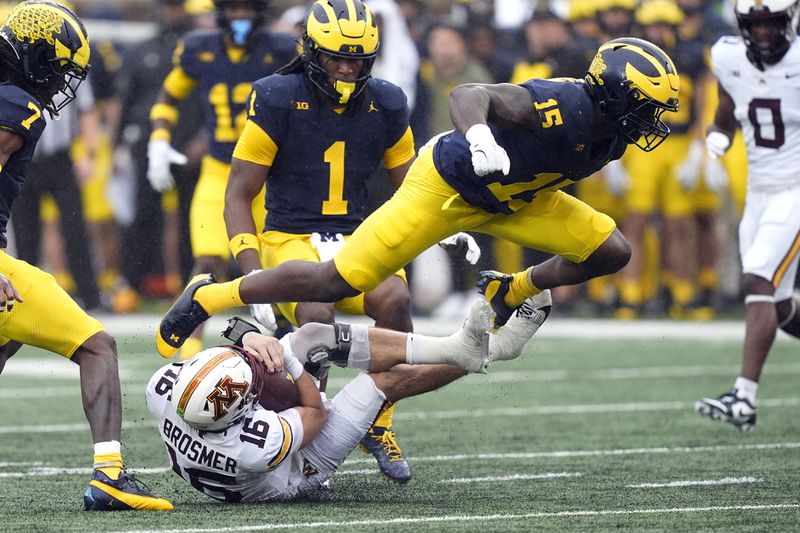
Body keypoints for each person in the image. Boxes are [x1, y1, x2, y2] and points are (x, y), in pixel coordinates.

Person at [156, 37, 679, 356]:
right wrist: (480, 136)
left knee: (611, 250)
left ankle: (510, 291)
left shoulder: (612, 132)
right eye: (646, 105)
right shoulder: (560, 104)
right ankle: (208, 297)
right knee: (334, 281)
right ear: (614, 94)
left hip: (514, 201)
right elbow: (468, 94)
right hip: (447, 186)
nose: (652, 120)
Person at [225, 0, 465, 483]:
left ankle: (379, 420)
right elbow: (239, 192)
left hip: (356, 234)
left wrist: (449, 217)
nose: (346, 68)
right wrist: (252, 274)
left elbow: (411, 184)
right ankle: (306, 436)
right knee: (316, 313)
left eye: (356, 60)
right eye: (336, 57)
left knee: (396, 298)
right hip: (289, 236)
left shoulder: (388, 101)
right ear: (312, 52)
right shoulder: (276, 97)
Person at [0, 1, 172, 510]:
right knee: (97, 345)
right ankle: (110, 475)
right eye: (58, 70)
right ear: (33, 58)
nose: (61, 85)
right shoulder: (15, 107)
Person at [146, 294, 551, 502]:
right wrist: (289, 361)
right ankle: (494, 349)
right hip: (293, 469)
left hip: (231, 444)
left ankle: (453, 345)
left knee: (312, 335)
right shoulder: (255, 444)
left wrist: (247, 337)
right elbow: (314, 412)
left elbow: (223, 366)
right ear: (245, 413)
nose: (255, 372)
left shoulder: (164, 388)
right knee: (381, 381)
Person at [147, 0, 297, 358]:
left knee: (278, 266)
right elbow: (168, 97)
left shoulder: (281, 50)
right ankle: (188, 351)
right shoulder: (200, 47)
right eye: (233, 9)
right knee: (208, 262)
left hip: (268, 175)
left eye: (247, 9)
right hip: (219, 171)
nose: (240, 17)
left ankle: (293, 352)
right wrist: (158, 138)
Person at [695, 0, 800, 431]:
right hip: (758, 192)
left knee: (758, 275)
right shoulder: (726, 55)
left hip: (795, 188)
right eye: (753, 24)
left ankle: (744, 398)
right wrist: (717, 137)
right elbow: (726, 110)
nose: (762, 33)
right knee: (775, 303)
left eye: (771, 22)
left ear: (789, 19)